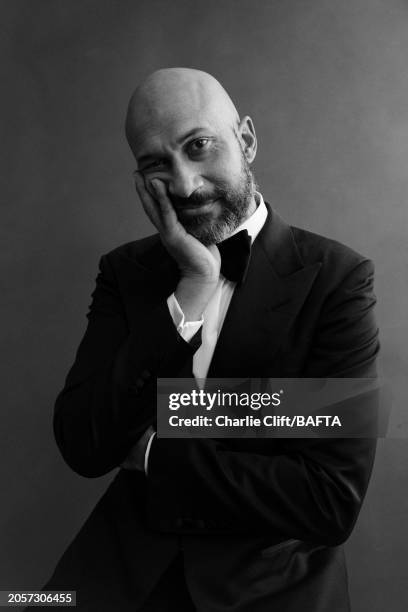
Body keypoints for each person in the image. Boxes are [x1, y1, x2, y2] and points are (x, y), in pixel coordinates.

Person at [36, 68, 380, 611]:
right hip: (114, 582)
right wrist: (193, 288)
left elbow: (327, 501)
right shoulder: (126, 271)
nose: (185, 185)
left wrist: (156, 442)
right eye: (156, 164)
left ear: (245, 139)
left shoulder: (338, 278)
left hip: (270, 592)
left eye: (199, 146)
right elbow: (84, 442)